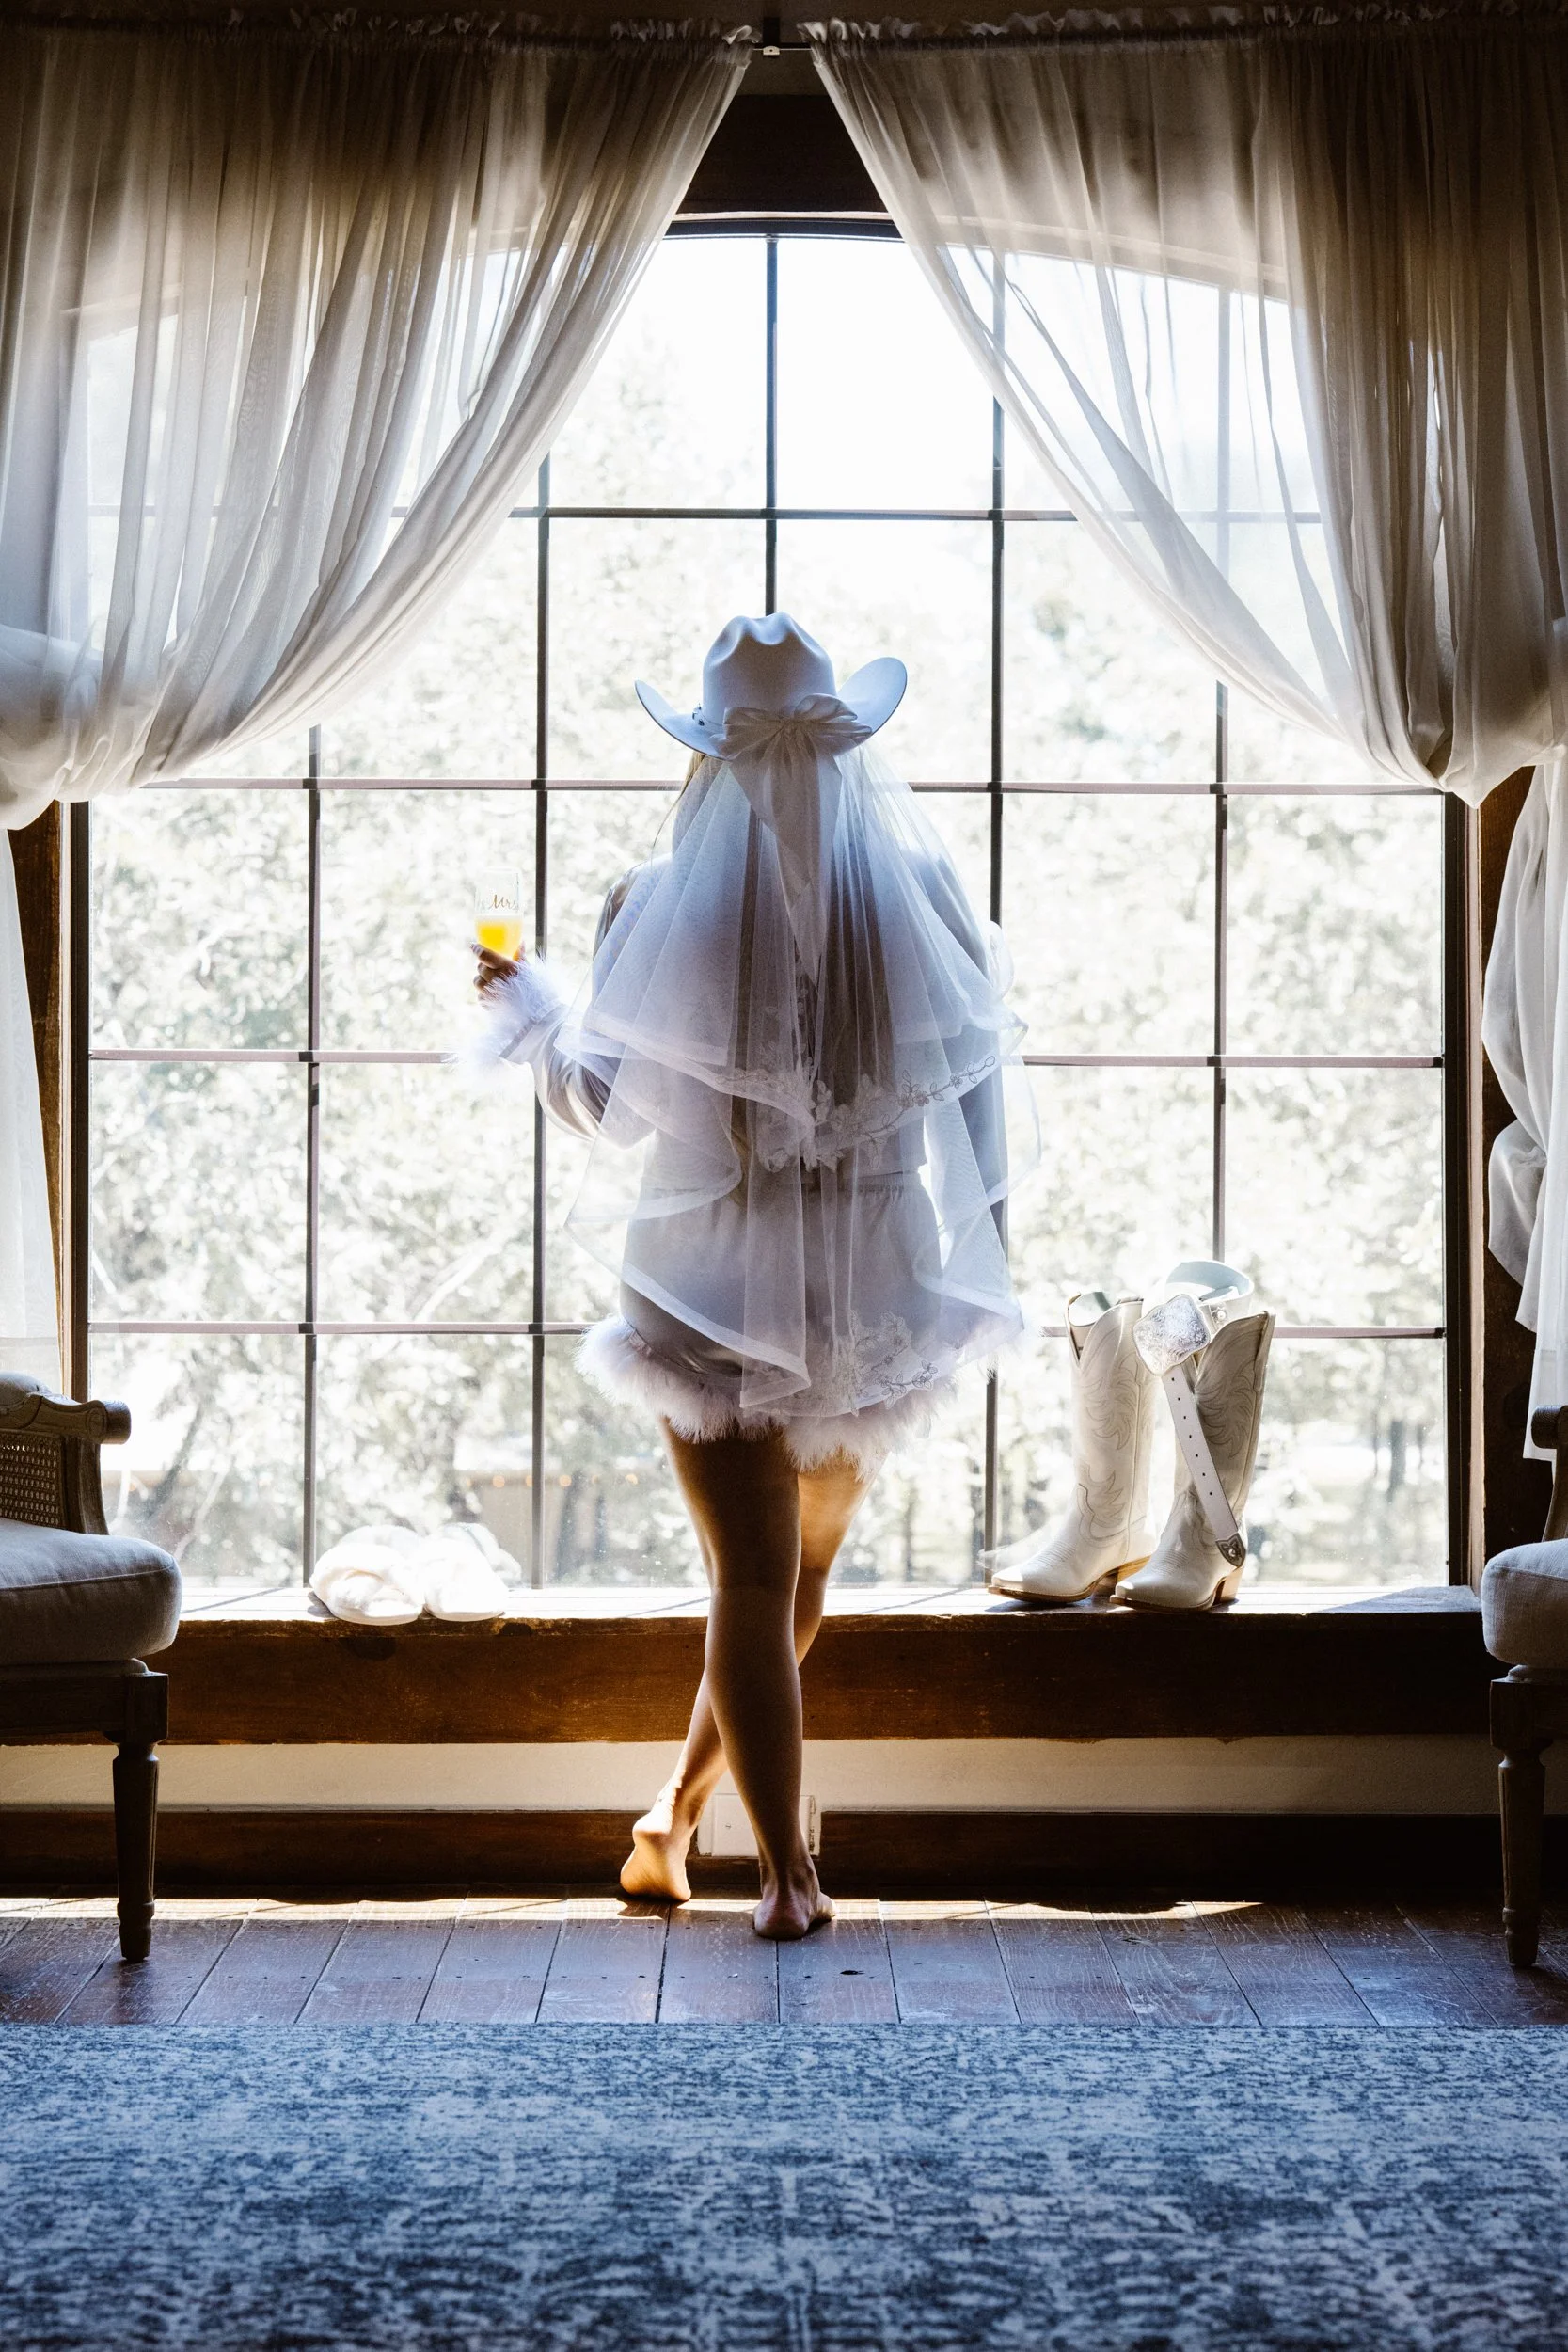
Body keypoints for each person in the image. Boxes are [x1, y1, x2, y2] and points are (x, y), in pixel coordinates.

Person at [472, 613, 1029, 1938]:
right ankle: (673, 1821)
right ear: (842, 744)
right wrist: (971, 1245)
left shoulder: (657, 899)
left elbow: (607, 1106)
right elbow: (979, 1098)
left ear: (705, 754)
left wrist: (527, 1013)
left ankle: (786, 1879)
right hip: (869, 1280)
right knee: (796, 1583)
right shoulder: (920, 891)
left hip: (706, 1281)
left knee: (744, 1582)